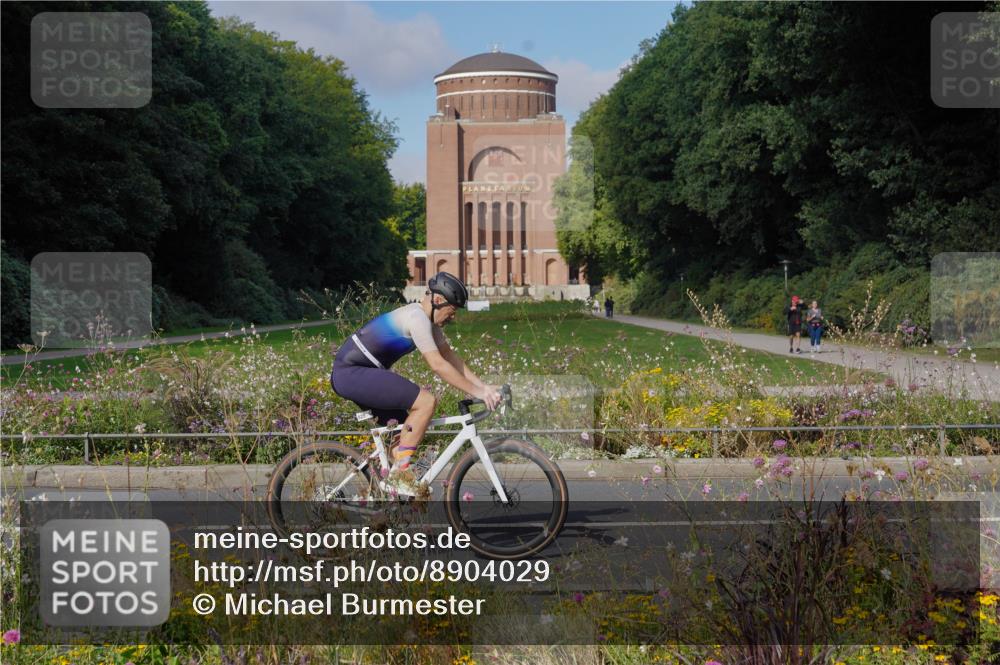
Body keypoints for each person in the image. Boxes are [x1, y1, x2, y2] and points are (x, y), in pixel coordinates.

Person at [330, 272, 502, 481]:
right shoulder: (417, 318)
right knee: (426, 403)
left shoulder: (428, 322)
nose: (453, 316)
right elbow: (438, 365)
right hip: (351, 373)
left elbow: (449, 357)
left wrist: (483, 388)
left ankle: (391, 492)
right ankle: (401, 474)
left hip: (364, 372)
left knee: (404, 437)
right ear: (438, 301)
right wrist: (476, 392)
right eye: (452, 310)